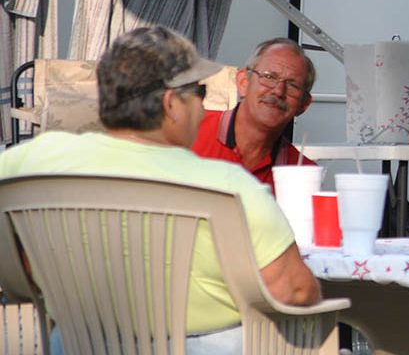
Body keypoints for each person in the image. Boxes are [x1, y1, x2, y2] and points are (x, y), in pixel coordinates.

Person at [0, 26, 321, 354]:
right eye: (198, 93)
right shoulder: (229, 183)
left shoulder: (35, 157)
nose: (203, 106)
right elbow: (294, 292)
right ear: (172, 104)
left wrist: (32, 274)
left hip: (76, 341)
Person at [192, 37, 317, 189]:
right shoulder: (188, 129)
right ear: (243, 82)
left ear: (304, 105)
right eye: (269, 77)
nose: (278, 91)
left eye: (292, 85)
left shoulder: (302, 174)